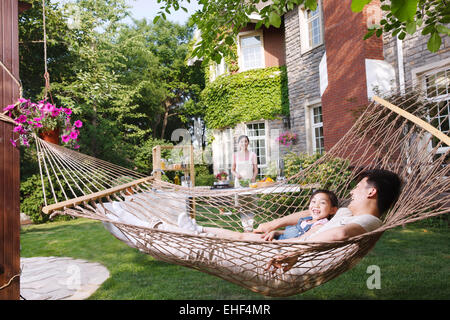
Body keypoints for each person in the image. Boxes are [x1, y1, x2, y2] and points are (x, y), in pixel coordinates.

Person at [264, 169, 402, 273]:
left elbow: (340, 234)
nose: (352, 192)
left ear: (371, 192)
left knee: (241, 238)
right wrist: (273, 225)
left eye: (357, 187)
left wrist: (297, 251)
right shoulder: (347, 211)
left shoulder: (370, 220)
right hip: (287, 248)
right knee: (244, 236)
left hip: (292, 260)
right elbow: (316, 211)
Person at [177, 189, 339, 242]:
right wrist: (277, 232)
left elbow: (302, 240)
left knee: (240, 238)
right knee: (241, 236)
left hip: (279, 247)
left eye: (322, 203)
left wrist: (277, 244)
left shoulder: (320, 225)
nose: (315, 206)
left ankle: (199, 230)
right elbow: (297, 231)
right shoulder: (308, 219)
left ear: (333, 210)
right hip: (276, 239)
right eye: (313, 201)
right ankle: (199, 229)